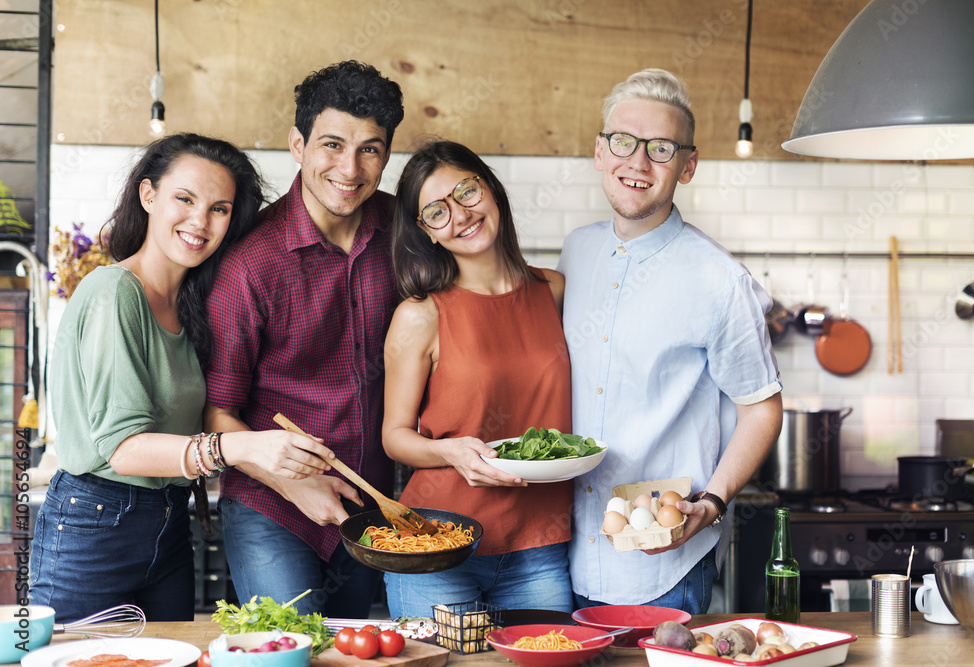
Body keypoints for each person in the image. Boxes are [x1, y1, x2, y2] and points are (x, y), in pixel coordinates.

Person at [29, 133, 335, 622]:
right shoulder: (113, 293)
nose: (200, 221)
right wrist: (242, 447)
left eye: (219, 208)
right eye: (184, 199)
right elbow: (122, 449)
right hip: (96, 524)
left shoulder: (191, 305)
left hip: (170, 521)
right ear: (148, 196)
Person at [559, 69, 783, 613]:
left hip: (666, 566)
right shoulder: (577, 253)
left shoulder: (718, 279)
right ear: (599, 152)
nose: (637, 163)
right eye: (623, 142)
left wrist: (713, 501)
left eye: (660, 149)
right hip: (563, 557)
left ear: (688, 166)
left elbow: (762, 409)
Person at [204, 61, 404, 618]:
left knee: (354, 653)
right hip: (273, 507)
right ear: (298, 143)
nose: (350, 167)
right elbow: (216, 413)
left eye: (370, 149)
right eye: (332, 144)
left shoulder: (401, 232)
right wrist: (295, 485)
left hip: (370, 507)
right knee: (287, 651)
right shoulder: (250, 263)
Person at [381, 140, 574, 618]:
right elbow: (394, 437)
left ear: (491, 189)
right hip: (437, 546)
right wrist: (446, 450)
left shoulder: (554, 290)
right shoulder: (420, 315)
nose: (460, 215)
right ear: (426, 232)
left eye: (466, 191)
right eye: (436, 212)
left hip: (540, 547)